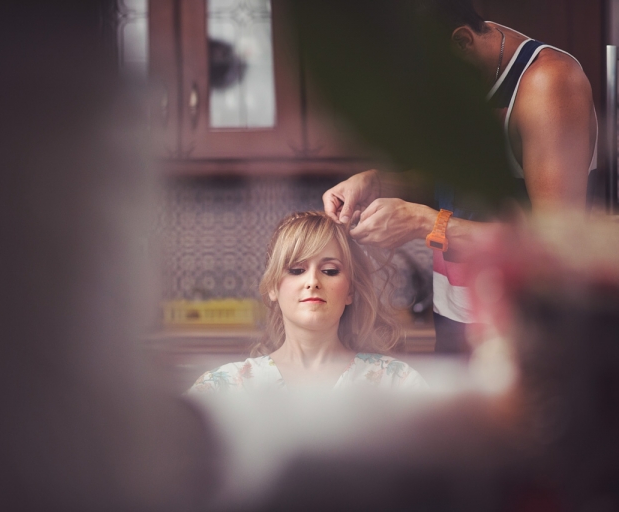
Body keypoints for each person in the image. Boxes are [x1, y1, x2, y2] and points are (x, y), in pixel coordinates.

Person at [322, 0, 597, 354]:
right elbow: (455, 185)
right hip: (455, 313)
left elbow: (556, 244)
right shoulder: (457, 78)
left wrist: (425, 223)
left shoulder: (548, 83)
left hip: (529, 328)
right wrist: (377, 182)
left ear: (462, 42)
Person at [188, 212, 427, 393]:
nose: (312, 281)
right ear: (272, 287)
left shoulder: (398, 383)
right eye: (296, 270)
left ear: (350, 290)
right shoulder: (222, 388)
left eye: (330, 270)